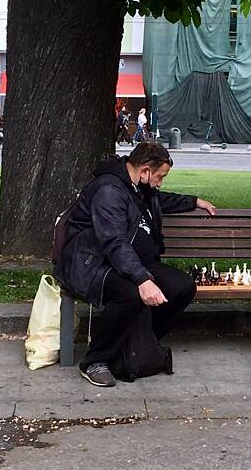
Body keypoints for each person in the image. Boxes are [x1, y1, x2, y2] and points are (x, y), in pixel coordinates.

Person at [57, 142, 217, 388]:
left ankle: (138, 341)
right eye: (160, 176)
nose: (160, 183)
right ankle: (95, 360)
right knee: (130, 294)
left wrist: (193, 201)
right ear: (144, 171)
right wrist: (142, 279)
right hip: (91, 263)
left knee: (182, 287)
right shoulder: (109, 191)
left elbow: (158, 201)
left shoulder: (136, 187)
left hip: (127, 260)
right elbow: (114, 241)